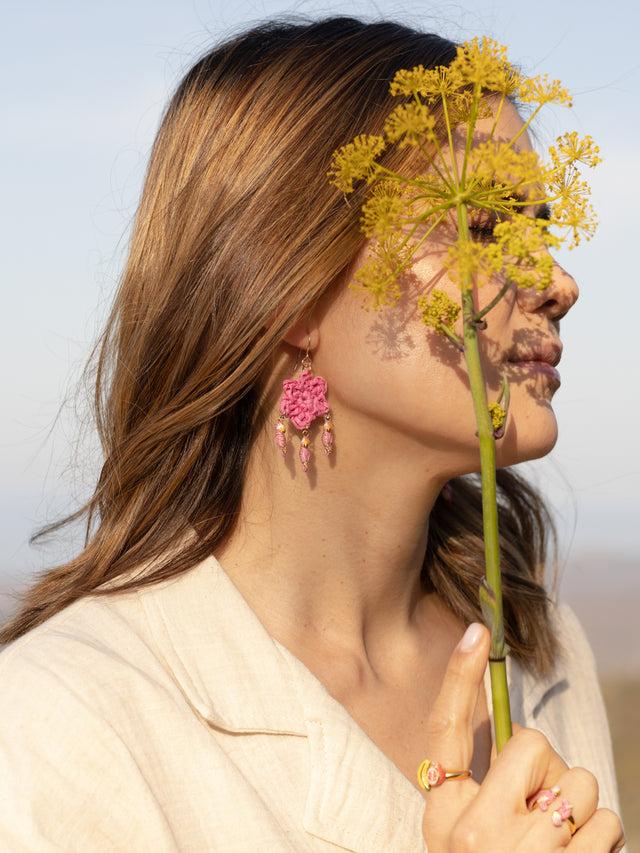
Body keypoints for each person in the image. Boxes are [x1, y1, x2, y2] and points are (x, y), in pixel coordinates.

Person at [0, 14, 626, 852]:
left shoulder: (541, 647)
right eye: (481, 225)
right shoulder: (64, 724)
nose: (558, 281)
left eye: (542, 226)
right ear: (284, 290)